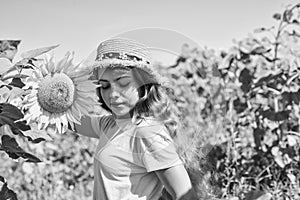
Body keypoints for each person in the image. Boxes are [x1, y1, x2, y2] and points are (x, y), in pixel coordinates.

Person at [75, 38, 196, 200]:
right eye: (104, 86)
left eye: (123, 82)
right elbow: (71, 121)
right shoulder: (110, 124)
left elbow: (186, 196)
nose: (112, 94)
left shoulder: (148, 133)